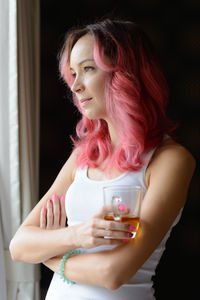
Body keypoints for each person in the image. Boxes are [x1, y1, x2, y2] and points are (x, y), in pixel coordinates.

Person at [9, 18, 195, 300]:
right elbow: (19, 245)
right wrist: (77, 236)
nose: (75, 86)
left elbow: (113, 273)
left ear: (126, 74)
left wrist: (49, 257)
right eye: (72, 73)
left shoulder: (170, 161)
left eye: (87, 69)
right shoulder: (82, 157)